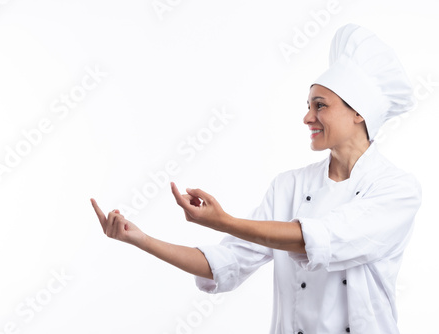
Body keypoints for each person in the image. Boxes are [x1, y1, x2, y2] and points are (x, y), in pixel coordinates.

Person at [90, 24, 421, 333]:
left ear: (358, 111)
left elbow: (320, 240)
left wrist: (224, 221)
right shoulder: (289, 186)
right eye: (307, 105)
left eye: (319, 106)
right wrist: (140, 238)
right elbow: (227, 262)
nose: (307, 117)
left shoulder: (397, 190)